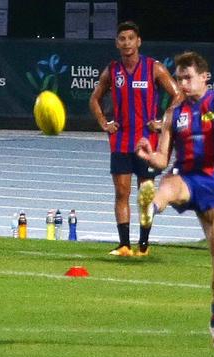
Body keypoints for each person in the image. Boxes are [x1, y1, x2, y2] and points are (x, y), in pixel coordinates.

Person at [135, 51, 214, 350]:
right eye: (179, 78)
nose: (182, 84)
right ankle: (150, 206)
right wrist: (149, 154)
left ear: (204, 77)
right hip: (184, 176)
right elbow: (162, 157)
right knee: (169, 185)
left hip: (213, 182)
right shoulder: (174, 113)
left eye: (187, 77)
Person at [89, 21, 182, 256]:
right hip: (121, 141)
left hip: (147, 143)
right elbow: (94, 99)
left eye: (131, 38)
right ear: (117, 43)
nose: (127, 43)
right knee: (121, 193)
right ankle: (124, 245)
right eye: (122, 39)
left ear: (138, 41)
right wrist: (104, 123)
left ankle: (143, 245)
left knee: (145, 194)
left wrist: (163, 121)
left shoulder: (154, 68)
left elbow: (179, 95)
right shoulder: (112, 70)